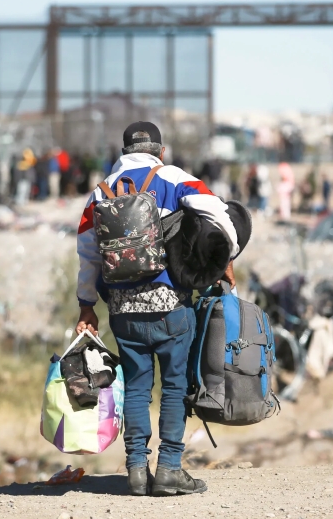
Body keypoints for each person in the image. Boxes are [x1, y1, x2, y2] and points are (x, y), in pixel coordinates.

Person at [75, 121, 239, 497]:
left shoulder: (100, 193)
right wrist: (224, 259)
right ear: (160, 151)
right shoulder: (173, 177)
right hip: (171, 307)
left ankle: (135, 469)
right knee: (176, 386)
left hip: (122, 311)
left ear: (122, 152)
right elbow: (221, 217)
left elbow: (86, 255)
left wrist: (87, 306)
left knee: (136, 386)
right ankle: (169, 468)